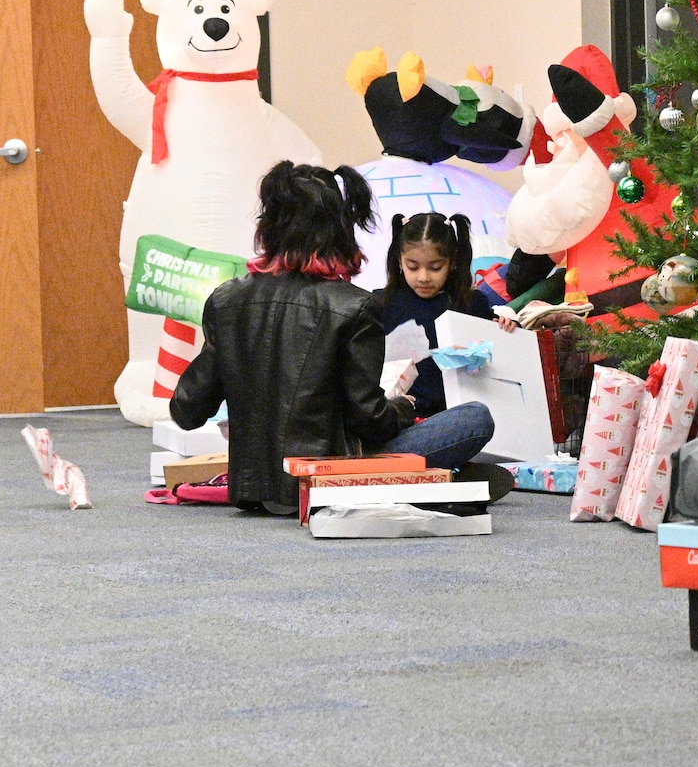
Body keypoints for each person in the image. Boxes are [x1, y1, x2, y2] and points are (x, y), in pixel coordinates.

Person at [170, 163, 508, 515]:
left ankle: (426, 482)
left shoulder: (226, 300)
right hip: (330, 479)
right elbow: (370, 422)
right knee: (474, 419)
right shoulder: (355, 305)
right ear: (340, 229)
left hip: (253, 488)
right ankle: (426, 481)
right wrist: (404, 408)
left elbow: (187, 410)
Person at [376, 211, 516, 419]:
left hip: (454, 415)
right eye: (412, 267)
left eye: (435, 267)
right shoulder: (380, 304)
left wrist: (506, 326)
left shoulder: (471, 304)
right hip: (398, 417)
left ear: (453, 261)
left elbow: (500, 359)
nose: (423, 277)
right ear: (399, 260)